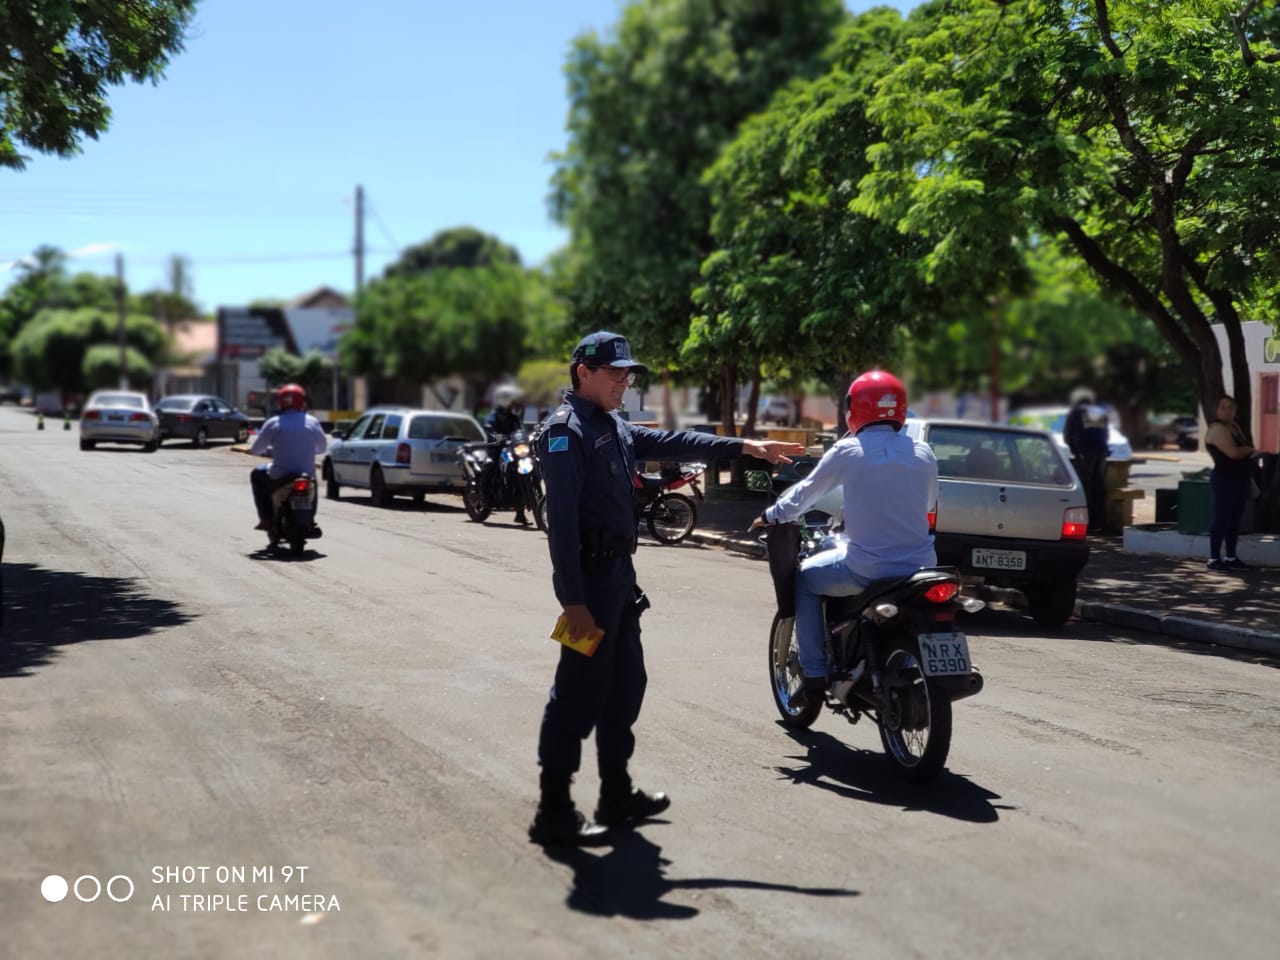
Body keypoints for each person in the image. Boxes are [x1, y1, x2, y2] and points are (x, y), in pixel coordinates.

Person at [530, 331, 805, 846]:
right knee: (576, 694)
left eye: (628, 375)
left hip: (619, 581)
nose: (624, 382)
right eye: (615, 373)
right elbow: (560, 526)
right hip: (589, 587)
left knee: (626, 686)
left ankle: (616, 792)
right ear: (583, 373)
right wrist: (573, 602)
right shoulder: (566, 432)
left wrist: (746, 446)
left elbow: (679, 441)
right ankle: (553, 810)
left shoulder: (612, 424)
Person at [749, 370, 938, 704]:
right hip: (921, 568)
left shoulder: (848, 450)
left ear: (856, 407)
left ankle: (814, 673)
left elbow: (806, 494)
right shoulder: (923, 452)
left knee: (804, 581)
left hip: (867, 569)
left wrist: (772, 515)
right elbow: (927, 504)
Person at [247, 383, 329, 531]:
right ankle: (310, 519)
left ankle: (266, 519)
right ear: (302, 402)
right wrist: (310, 450)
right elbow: (322, 447)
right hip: (305, 473)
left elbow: (257, 449)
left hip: (279, 475)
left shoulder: (273, 422)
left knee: (257, 474)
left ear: (280, 402)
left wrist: (255, 451)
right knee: (312, 478)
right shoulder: (312, 422)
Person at [1204, 395, 1265, 571]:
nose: (1227, 411)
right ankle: (1214, 558)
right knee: (1221, 519)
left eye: (1231, 407)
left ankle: (1231, 557)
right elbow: (1233, 453)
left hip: (1239, 479)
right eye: (1223, 407)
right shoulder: (1217, 429)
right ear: (1216, 410)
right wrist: (1249, 449)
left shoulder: (1234, 427)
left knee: (1234, 520)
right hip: (1224, 479)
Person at [1063, 387, 1110, 534]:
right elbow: (1106, 434)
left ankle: (1087, 523)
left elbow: (1067, 435)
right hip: (1101, 452)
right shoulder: (1100, 411)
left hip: (1085, 452)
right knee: (1099, 486)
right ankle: (1099, 522)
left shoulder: (1075, 412)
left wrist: (1075, 451)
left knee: (1085, 487)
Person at [484, 384, 531, 524]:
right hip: (497, 448)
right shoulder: (494, 415)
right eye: (512, 400)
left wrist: (528, 436)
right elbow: (489, 427)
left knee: (521, 471)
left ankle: (520, 513)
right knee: (491, 465)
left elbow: (520, 430)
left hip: (512, 448)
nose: (514, 404)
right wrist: (495, 435)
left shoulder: (514, 417)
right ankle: (485, 496)